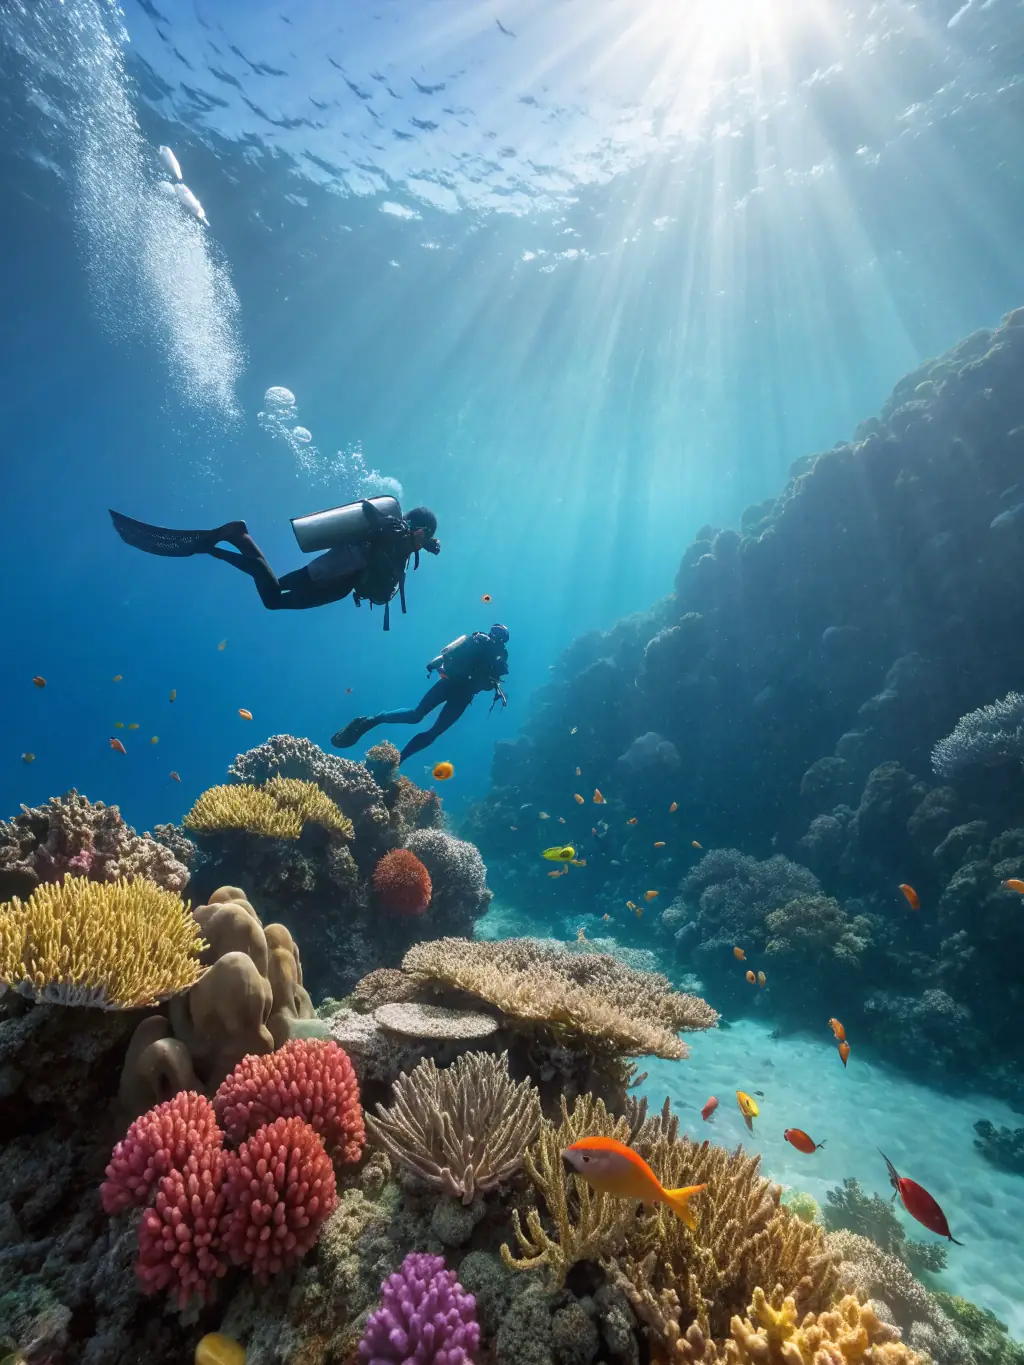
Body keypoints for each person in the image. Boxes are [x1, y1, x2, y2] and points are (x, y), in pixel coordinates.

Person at [108, 500, 440, 629]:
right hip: (335, 577)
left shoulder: (402, 540)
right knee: (274, 598)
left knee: (275, 593)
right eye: (426, 535)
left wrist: (426, 543)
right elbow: (377, 520)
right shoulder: (397, 532)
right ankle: (237, 537)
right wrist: (420, 540)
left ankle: (229, 542)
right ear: (420, 529)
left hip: (335, 574)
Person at [332, 624, 510, 761]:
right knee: (432, 731)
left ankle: (375, 722)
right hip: (462, 694)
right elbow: (488, 685)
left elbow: (448, 654)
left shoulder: (477, 640)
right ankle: (398, 757)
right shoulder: (496, 654)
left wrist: (435, 664)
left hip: (449, 684)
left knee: (416, 715)